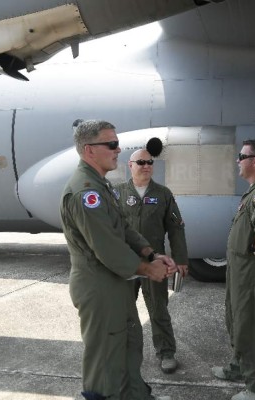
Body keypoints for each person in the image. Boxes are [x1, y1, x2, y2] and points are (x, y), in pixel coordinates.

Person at [59, 119, 175, 400]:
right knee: (105, 358)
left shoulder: (101, 186)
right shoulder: (86, 192)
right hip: (100, 288)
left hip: (116, 283)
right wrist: (149, 269)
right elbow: (108, 247)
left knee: (129, 346)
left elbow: (123, 227)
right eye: (111, 144)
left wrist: (151, 253)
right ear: (89, 150)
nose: (118, 149)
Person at [212, 139, 255, 400]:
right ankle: (239, 367)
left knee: (252, 328)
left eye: (241, 156)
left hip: (253, 272)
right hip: (241, 271)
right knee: (237, 321)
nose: (237, 161)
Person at [116, 148, 189, 374]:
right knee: (122, 309)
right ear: (130, 165)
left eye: (149, 162)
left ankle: (166, 352)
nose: (146, 166)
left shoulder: (163, 194)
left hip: (155, 262)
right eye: (141, 162)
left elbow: (176, 229)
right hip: (126, 262)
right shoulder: (117, 193)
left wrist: (181, 259)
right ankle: (122, 351)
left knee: (158, 309)